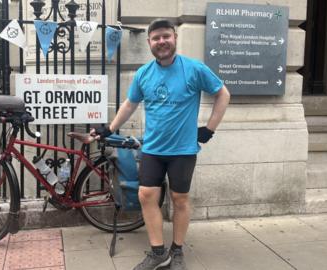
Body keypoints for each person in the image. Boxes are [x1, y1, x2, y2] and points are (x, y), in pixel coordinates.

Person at [92, 18, 230, 270]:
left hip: (183, 150)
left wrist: (209, 129)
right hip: (153, 149)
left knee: (179, 199)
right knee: (146, 195)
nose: (161, 41)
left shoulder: (194, 69)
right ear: (149, 43)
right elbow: (130, 103)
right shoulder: (144, 73)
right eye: (156, 38)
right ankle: (158, 253)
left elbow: (223, 93)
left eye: (166, 36)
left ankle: (177, 251)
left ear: (175, 37)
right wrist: (110, 128)